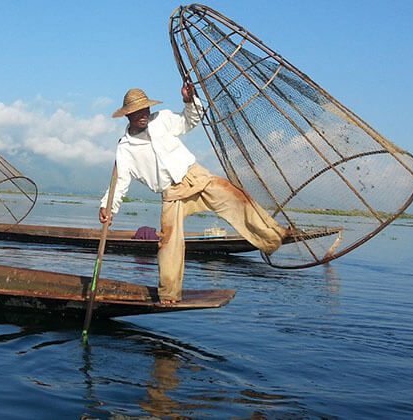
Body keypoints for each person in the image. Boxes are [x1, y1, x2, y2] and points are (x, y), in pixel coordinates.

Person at [99, 85, 287, 304]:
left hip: (195, 176)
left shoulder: (162, 119)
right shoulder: (125, 148)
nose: (143, 115)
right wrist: (108, 207)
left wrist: (190, 102)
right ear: (128, 115)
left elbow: (189, 121)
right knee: (169, 243)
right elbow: (120, 181)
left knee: (237, 198)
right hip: (172, 193)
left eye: (145, 109)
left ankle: (273, 237)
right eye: (137, 112)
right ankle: (169, 294)